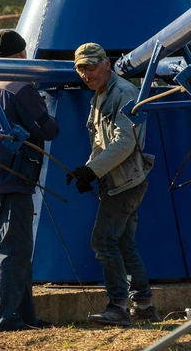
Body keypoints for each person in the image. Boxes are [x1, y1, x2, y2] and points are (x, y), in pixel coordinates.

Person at [67, 42, 160, 326]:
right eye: (80, 68)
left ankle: (118, 306)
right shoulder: (101, 94)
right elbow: (100, 141)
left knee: (104, 241)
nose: (86, 73)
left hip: (126, 183)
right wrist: (89, 171)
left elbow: (124, 142)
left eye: (91, 67)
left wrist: (92, 171)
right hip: (120, 181)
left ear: (107, 64)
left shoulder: (124, 93)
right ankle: (143, 306)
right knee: (123, 243)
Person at [0, 29, 60, 332]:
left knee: (17, 247)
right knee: (15, 249)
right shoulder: (20, 86)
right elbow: (47, 129)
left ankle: (25, 315)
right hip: (15, 173)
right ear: (22, 53)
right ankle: (5, 318)